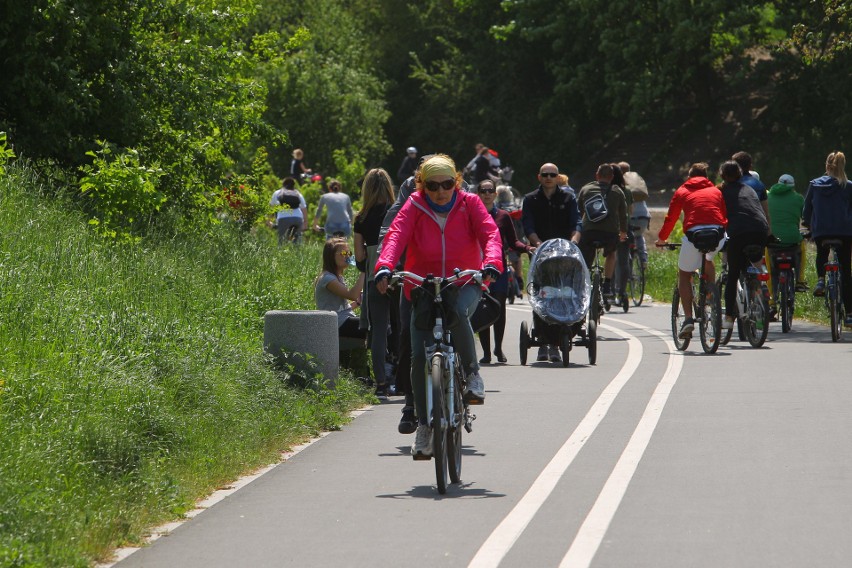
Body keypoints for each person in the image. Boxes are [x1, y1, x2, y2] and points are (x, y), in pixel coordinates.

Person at [374, 154, 503, 459]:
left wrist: (492, 262)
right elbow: (395, 236)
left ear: (456, 182)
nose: (441, 191)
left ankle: (472, 375)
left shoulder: (470, 203)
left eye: (447, 184)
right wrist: (384, 265)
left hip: (464, 281)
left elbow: (490, 233)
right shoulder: (414, 205)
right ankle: (423, 426)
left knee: (458, 312)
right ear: (422, 186)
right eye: (433, 186)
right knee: (418, 356)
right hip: (421, 284)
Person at [655, 163, 727, 338]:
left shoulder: (682, 191)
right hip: (717, 234)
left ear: (689, 176)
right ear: (706, 176)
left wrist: (662, 239)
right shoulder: (716, 191)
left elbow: (671, 218)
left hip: (694, 235)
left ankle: (688, 319)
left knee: (684, 274)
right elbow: (724, 216)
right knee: (708, 259)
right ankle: (711, 296)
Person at [522, 163, 582, 363]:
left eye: (552, 175)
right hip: (541, 255)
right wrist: (538, 244)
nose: (549, 178)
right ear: (539, 177)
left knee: (566, 293)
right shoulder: (531, 199)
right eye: (545, 175)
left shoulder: (568, 198)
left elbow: (576, 223)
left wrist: (574, 242)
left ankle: (561, 337)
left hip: (566, 255)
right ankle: (544, 340)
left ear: (558, 177)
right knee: (542, 295)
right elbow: (527, 224)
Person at [475, 178, 534, 364]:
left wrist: (527, 248)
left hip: (498, 268)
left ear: (495, 194)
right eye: (483, 191)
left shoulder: (503, 216)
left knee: (498, 308)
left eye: (489, 190)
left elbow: (513, 241)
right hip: (477, 268)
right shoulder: (471, 215)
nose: (486, 194)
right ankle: (486, 353)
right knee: (482, 308)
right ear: (478, 194)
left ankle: (498, 349)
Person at [353, 169, 397, 400]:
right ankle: (403, 379)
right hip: (400, 274)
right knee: (404, 326)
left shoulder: (361, 218)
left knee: (379, 330)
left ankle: (381, 382)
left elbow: (359, 257)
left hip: (374, 277)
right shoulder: (398, 212)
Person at [719, 160, 770, 329]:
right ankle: (760, 290)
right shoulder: (749, 189)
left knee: (733, 274)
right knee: (753, 263)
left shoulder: (722, 191)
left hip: (739, 233)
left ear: (722, 175)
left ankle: (728, 317)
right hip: (760, 231)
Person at [802, 151, 852, 325]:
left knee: (822, 255)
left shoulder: (815, 184)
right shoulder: (848, 185)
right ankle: (850, 314)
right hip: (845, 232)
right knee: (846, 270)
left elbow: (806, 210)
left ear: (826, 165)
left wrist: (808, 225)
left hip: (822, 231)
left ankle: (821, 281)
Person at [577, 163, 628, 301]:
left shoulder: (586, 189)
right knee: (611, 253)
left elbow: (578, 211)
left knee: (585, 256)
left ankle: (583, 283)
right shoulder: (617, 191)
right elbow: (623, 215)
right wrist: (623, 232)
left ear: (597, 175)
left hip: (588, 231)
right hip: (610, 233)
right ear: (611, 177)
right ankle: (607, 284)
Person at [314, 237, 366, 341]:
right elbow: (352, 295)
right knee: (373, 325)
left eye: (349, 253)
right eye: (343, 253)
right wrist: (364, 270)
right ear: (331, 256)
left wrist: (358, 302)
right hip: (336, 323)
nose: (348, 256)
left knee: (376, 323)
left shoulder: (338, 277)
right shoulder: (327, 279)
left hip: (342, 320)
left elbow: (342, 309)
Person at [767, 174, 807, 299]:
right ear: (792, 186)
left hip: (773, 240)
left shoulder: (767, 197)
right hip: (792, 239)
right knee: (802, 246)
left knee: (769, 266)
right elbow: (804, 218)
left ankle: (771, 301)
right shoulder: (798, 198)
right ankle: (800, 280)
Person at [619, 162, 651, 269]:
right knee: (638, 236)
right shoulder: (636, 180)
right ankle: (643, 260)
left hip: (630, 217)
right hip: (644, 216)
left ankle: (625, 265)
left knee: (624, 239)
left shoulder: (619, 183)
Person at [732, 151, 771, 227]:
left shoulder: (729, 184)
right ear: (750, 166)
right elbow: (766, 213)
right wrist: (769, 235)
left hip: (736, 229)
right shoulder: (759, 184)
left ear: (734, 167)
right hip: (757, 227)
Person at [270, 177, 308, 245]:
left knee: (282, 242)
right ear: (294, 185)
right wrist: (305, 223)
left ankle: (282, 252)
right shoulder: (297, 193)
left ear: (283, 184)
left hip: (283, 218)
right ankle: (297, 252)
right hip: (297, 218)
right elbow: (304, 209)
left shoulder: (277, 193)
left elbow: (271, 208)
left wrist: (268, 221)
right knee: (297, 242)